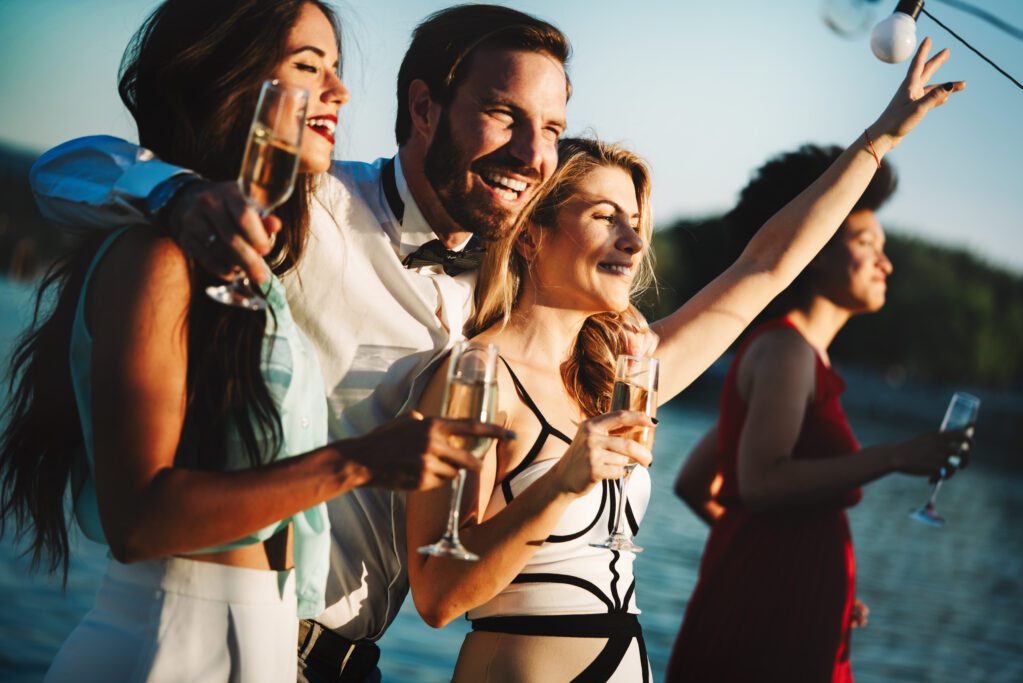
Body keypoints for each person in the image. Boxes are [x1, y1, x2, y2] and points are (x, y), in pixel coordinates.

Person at [28, 5, 572, 680]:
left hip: (349, 661)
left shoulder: (514, 290)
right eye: (504, 114)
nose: (534, 152)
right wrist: (174, 193)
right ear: (425, 108)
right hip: (230, 628)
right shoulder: (305, 204)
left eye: (552, 128)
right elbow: (59, 172)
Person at [405, 38, 964, 681]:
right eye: (605, 216)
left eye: (638, 221)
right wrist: (564, 481)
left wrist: (877, 141)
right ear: (530, 234)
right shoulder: (475, 377)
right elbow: (438, 595)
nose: (634, 239)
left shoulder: (626, 376)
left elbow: (767, 264)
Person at [666, 145, 974, 682]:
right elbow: (760, 482)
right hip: (765, 633)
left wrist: (793, 574)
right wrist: (898, 454)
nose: (887, 262)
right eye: (865, 243)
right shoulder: (786, 351)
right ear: (814, 249)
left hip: (778, 606)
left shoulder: (797, 354)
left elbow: (695, 481)